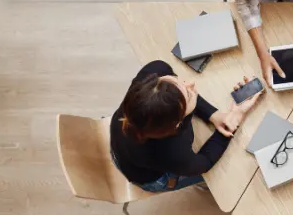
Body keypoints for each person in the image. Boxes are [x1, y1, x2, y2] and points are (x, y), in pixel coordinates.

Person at [110, 60, 262, 192]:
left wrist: (213, 115)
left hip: (122, 150)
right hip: (147, 177)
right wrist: (234, 119)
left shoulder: (154, 71)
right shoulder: (173, 153)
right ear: (177, 124)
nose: (191, 84)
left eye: (178, 81)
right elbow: (204, 163)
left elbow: (175, 99)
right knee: (220, 179)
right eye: (189, 95)